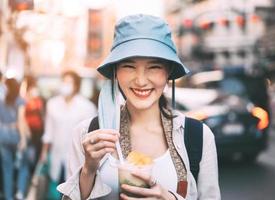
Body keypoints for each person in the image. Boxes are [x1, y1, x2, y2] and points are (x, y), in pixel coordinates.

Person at [58, 14, 220, 200]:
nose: (141, 81)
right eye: (129, 66)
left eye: (154, 67)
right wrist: (88, 169)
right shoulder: (88, 134)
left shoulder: (198, 137)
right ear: (116, 71)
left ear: (168, 72)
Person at [39, 70, 97, 198]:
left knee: (73, 190)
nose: (66, 85)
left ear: (76, 85)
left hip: (78, 156)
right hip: (56, 154)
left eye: (69, 82)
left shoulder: (87, 107)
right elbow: (49, 132)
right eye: (64, 82)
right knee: (54, 188)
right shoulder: (52, 104)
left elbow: (91, 135)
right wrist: (44, 154)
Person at [0, 78, 31, 200]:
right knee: (23, 166)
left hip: (3, 137)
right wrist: (23, 139)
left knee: (7, 168)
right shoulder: (20, 101)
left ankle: (8, 196)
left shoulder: (2, 101)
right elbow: (21, 120)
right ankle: (20, 192)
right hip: (16, 137)